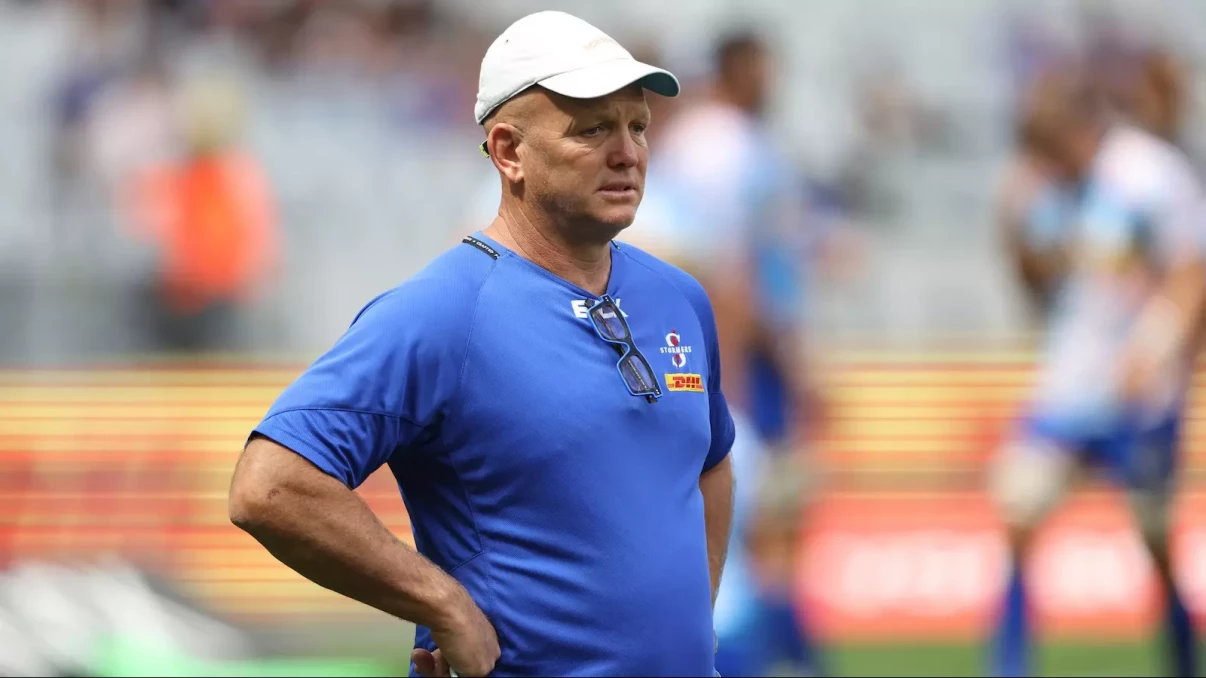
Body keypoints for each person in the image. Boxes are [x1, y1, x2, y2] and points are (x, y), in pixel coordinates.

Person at [227, 10, 736, 678]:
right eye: (591, 129)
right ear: (508, 152)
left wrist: (688, 629)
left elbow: (711, 464)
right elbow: (270, 487)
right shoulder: (443, 312)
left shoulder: (679, 298)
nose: (627, 152)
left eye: (636, 126)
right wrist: (445, 605)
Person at [987, 67, 1205, 678]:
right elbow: (1041, 286)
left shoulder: (1149, 174)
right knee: (1018, 508)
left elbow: (1192, 272)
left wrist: (1155, 349)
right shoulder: (1050, 188)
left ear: (1076, 130)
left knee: (1155, 539)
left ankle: (1183, 661)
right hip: (1070, 386)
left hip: (1141, 394)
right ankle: (1009, 667)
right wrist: (1013, 232)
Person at [643, 30, 826, 676]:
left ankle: (787, 650)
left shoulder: (702, 148)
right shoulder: (724, 148)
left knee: (765, 513)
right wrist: (758, 370)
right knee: (763, 512)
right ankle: (785, 654)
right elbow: (731, 275)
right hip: (742, 358)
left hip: (736, 352)